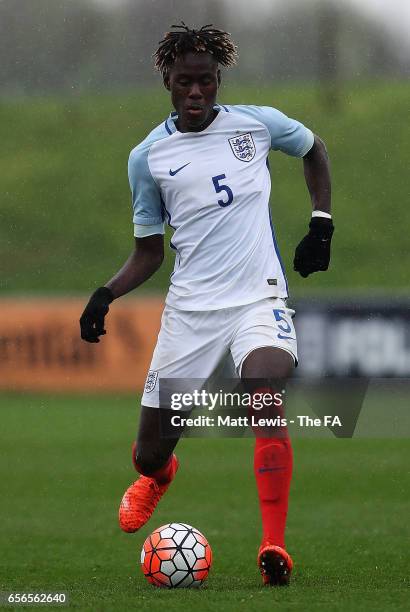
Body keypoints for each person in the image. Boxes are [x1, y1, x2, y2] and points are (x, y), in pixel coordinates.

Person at [80, 23, 333, 586]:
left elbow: (313, 148)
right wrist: (107, 293)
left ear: (218, 81)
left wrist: (321, 223)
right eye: (184, 83)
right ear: (167, 83)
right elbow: (148, 252)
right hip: (190, 314)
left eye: (206, 82)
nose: (195, 93)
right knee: (146, 455)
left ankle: (274, 545)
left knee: (264, 395)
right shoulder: (147, 157)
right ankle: (160, 473)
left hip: (257, 301)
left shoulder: (257, 125)